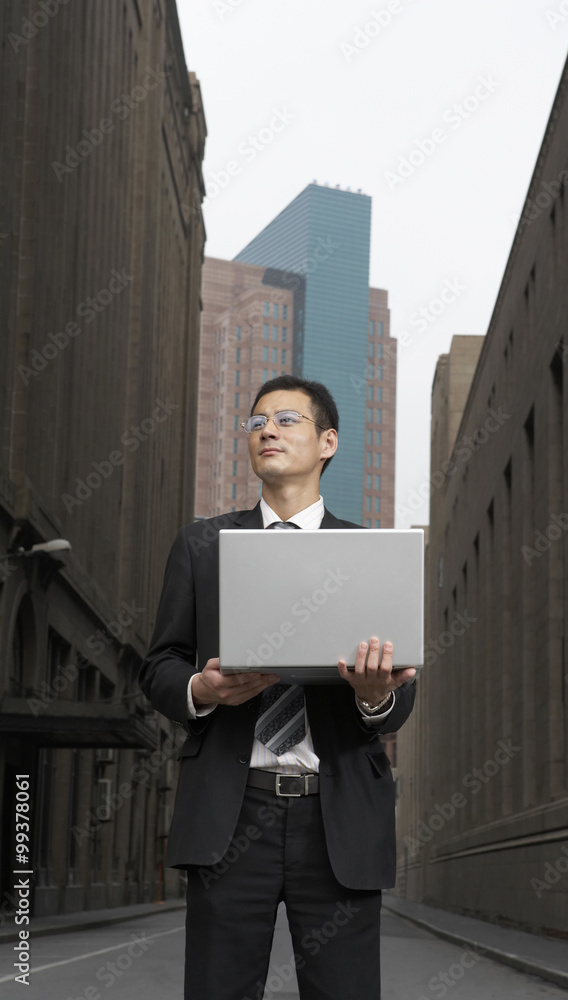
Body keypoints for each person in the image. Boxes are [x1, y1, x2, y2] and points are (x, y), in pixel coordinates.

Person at [139, 375, 417, 1000]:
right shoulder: (202, 545)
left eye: (287, 419)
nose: (266, 429)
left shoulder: (373, 555)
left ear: (328, 442)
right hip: (232, 814)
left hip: (337, 815)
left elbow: (399, 697)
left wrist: (373, 696)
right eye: (257, 421)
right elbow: (158, 668)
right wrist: (203, 691)